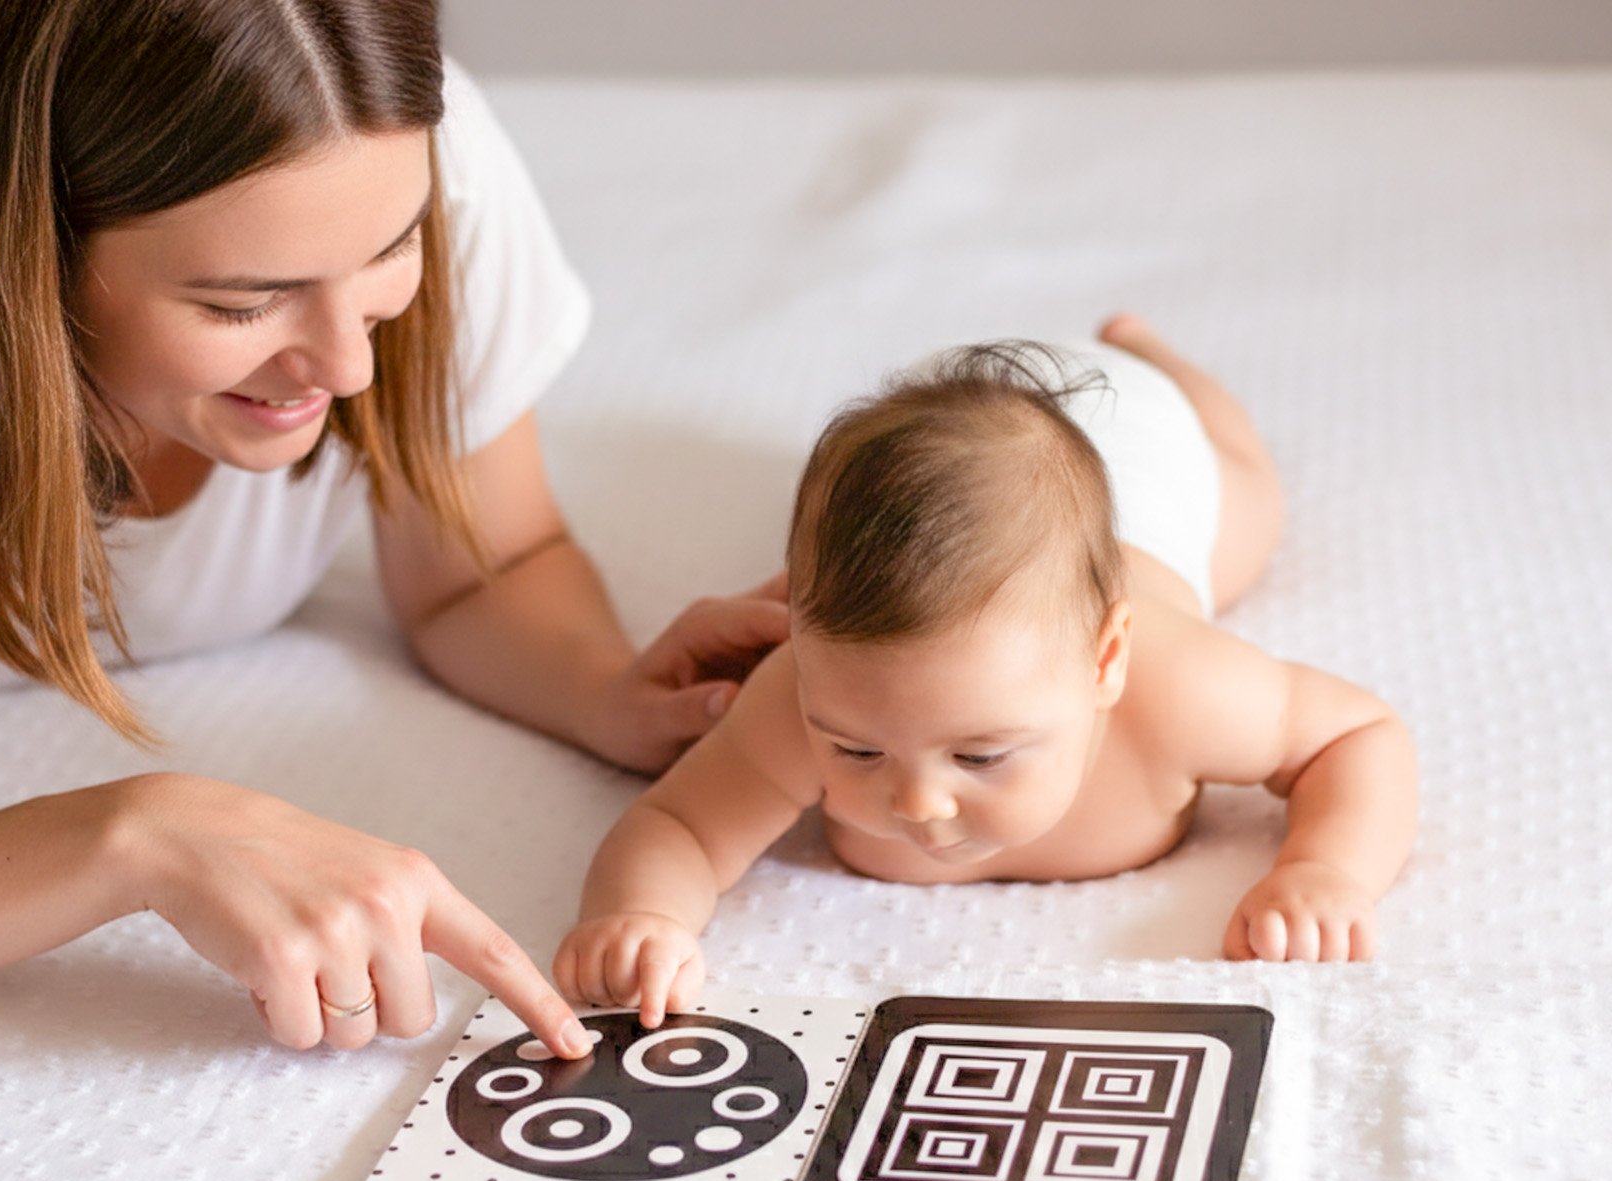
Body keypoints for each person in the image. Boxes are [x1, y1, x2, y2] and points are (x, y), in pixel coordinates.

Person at [0, 0, 787, 1052]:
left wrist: (611, 692)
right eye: (243, 304)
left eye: (388, 259)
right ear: (24, 253)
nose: (350, 368)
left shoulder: (392, 154)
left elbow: (483, 567)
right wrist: (131, 837)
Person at [555, 315, 1419, 1025]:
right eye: (857, 753)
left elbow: (1357, 734)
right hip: (942, 428)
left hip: (1140, 446)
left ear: (1104, 662)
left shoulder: (1181, 688)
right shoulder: (805, 694)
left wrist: (1327, 868)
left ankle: (1158, 356)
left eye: (980, 755)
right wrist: (643, 918)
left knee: (1249, 515)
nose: (918, 804)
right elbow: (680, 826)